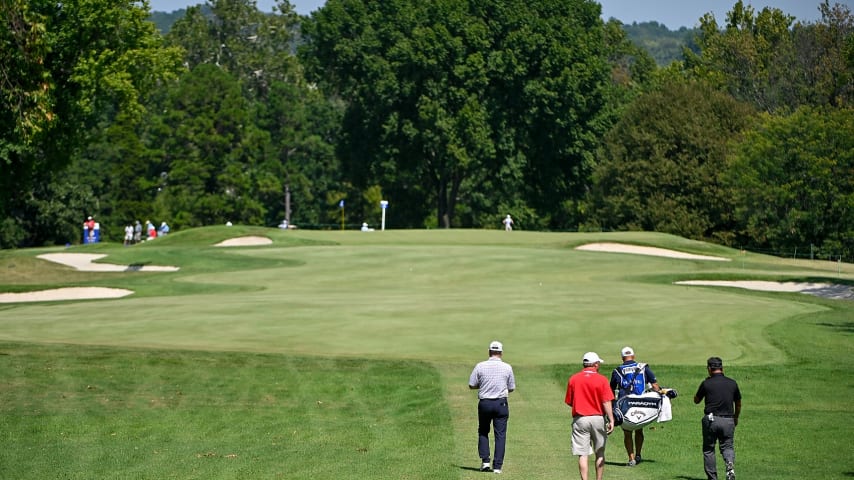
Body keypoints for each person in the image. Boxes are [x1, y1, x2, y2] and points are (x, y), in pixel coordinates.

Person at [565, 352, 615, 480]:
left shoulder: (574, 379)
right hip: (598, 418)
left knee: (583, 454)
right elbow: (606, 401)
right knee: (600, 453)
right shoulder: (602, 379)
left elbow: (570, 402)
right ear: (596, 364)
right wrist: (611, 419)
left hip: (580, 419)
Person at [610, 346, 662, 466]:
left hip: (625, 404)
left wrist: (613, 405)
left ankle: (631, 458)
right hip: (641, 403)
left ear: (622, 358)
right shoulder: (643, 367)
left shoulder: (617, 370)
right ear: (633, 356)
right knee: (639, 428)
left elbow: (611, 390)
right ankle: (638, 455)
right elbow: (654, 385)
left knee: (627, 432)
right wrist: (661, 394)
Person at [469, 340, 516, 474]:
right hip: (501, 403)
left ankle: (485, 461)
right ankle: (497, 467)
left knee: (483, 431)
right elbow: (511, 388)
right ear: (501, 353)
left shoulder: (480, 366)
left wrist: (483, 386)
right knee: (500, 435)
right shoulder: (507, 367)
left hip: (485, 404)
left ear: (489, 352)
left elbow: (471, 384)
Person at [694, 357, 741, 480]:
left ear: (709, 369)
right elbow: (739, 403)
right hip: (728, 420)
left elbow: (696, 400)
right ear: (722, 368)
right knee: (728, 446)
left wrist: (704, 387)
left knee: (709, 450)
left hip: (711, 420)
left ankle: (713, 478)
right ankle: (729, 466)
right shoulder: (732, 383)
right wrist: (736, 417)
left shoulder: (706, 383)